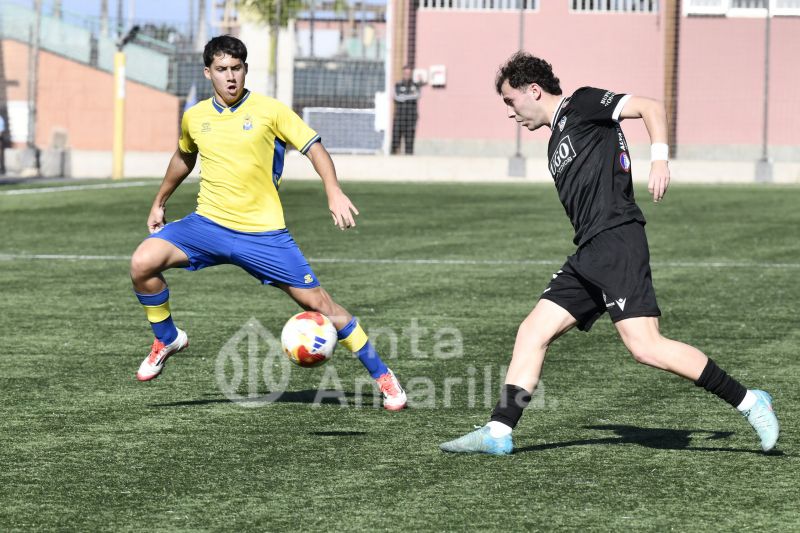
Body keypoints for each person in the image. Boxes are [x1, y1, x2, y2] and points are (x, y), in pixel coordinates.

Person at [440, 52, 779, 454]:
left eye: (510, 101)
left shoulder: (581, 104)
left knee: (645, 346)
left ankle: (749, 401)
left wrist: (659, 160)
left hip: (617, 238)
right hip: (589, 252)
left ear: (533, 90)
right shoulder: (555, 139)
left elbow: (650, 107)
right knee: (533, 331)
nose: (511, 113)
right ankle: (499, 431)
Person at [129, 36, 407, 411]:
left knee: (322, 303)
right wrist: (159, 201)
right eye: (222, 69)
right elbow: (184, 157)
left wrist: (334, 190)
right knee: (142, 262)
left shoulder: (270, 110)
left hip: (263, 235)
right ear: (207, 72)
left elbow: (314, 147)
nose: (231, 77)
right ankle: (167, 338)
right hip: (207, 226)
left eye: (237, 68)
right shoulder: (195, 116)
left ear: (245, 69)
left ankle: (384, 377)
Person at [391, 65, 421, 155]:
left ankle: (409, 157)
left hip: (411, 118)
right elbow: (396, 97)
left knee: (409, 140)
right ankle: (393, 155)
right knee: (396, 138)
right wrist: (409, 96)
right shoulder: (398, 85)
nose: (407, 74)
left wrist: (404, 97)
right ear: (403, 73)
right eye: (405, 73)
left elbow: (417, 95)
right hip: (399, 117)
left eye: (408, 73)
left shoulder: (415, 85)